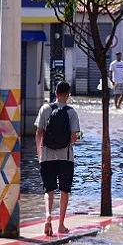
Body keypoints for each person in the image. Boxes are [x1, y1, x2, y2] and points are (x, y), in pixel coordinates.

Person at [35, 81, 81, 236]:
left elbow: (39, 133)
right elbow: (74, 138)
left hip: (46, 155)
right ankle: (61, 224)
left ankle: (48, 215)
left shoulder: (45, 108)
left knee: (49, 190)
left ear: (55, 93)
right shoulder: (71, 112)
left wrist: (40, 154)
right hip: (66, 157)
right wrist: (78, 137)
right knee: (64, 191)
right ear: (68, 95)